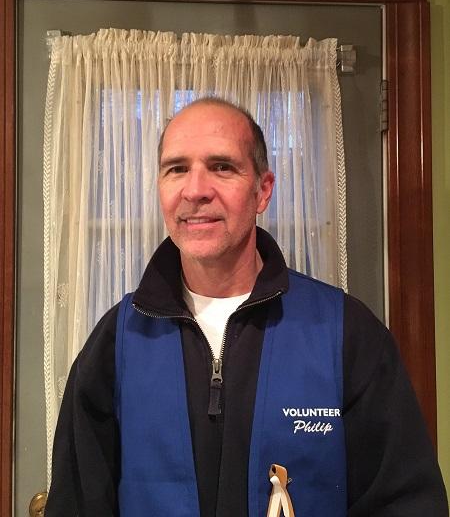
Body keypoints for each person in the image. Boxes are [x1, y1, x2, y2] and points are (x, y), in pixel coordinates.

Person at [45, 97, 448, 516]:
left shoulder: (344, 331)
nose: (196, 190)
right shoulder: (118, 341)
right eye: (176, 168)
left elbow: (407, 503)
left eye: (222, 166)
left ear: (263, 190)